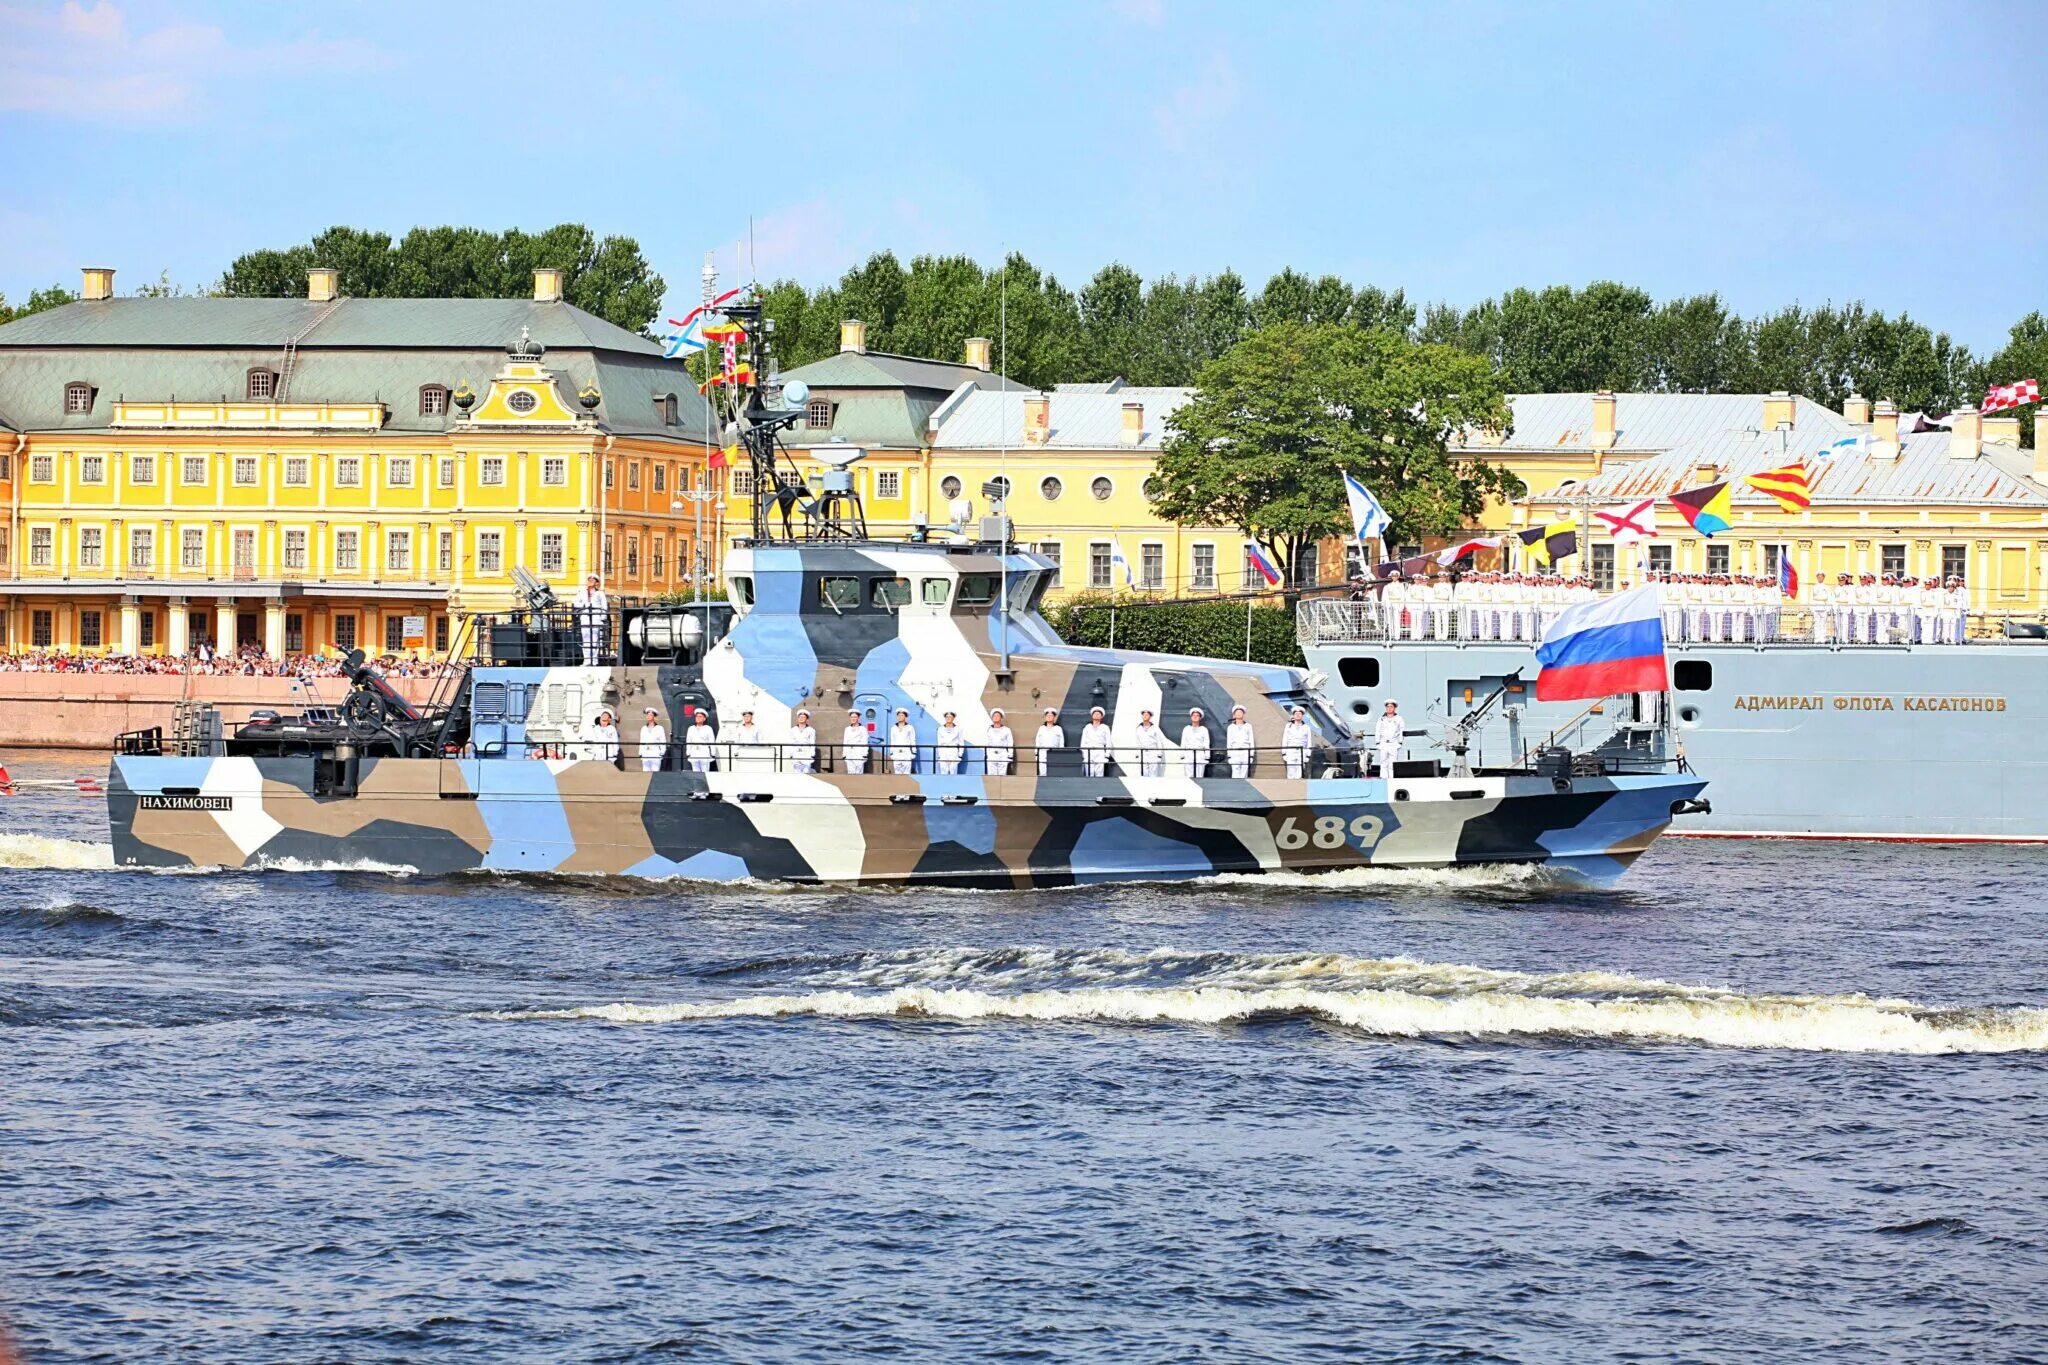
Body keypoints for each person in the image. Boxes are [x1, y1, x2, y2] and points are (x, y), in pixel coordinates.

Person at [572, 574, 609, 666]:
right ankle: (587, 660)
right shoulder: (582, 592)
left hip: (596, 616)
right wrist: (583, 606)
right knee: (586, 639)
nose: (590, 582)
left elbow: (604, 606)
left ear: (596, 583)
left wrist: (603, 617)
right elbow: (576, 602)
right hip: (585, 616)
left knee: (595, 639)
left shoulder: (600, 593)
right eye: (589, 580)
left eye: (593, 580)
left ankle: (594, 660)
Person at [1281, 705, 1313, 780]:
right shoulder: (1288, 726)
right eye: (1296, 714)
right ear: (1293, 715)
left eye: (1300, 714)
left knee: (1299, 772)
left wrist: (1308, 755)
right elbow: (1285, 740)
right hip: (1291, 751)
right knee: (1291, 772)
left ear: (1302, 716)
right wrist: (1284, 753)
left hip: (1302, 752)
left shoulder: (1306, 727)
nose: (1298, 715)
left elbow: (1309, 742)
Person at [1178, 707, 1212, 778]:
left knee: (1199, 775)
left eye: (1197, 716)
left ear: (1200, 718)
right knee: (1189, 775)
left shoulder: (1204, 730)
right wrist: (1182, 755)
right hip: (1188, 753)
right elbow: (1183, 742)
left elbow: (1206, 743)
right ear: (1191, 717)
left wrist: (1207, 756)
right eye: (1194, 715)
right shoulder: (1186, 729)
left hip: (1200, 753)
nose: (1195, 717)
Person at [1374, 700, 1403, 779]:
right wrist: (1377, 742)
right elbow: (1377, 731)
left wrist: (1400, 742)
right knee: (1383, 762)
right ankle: (1383, 778)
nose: (1389, 708)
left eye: (1391, 707)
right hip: (1383, 743)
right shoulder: (1381, 719)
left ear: (1394, 708)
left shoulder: (1399, 719)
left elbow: (1401, 731)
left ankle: (1392, 779)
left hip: (1393, 743)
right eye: (1387, 707)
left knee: (1392, 763)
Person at [1080, 705, 1112, 777]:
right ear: (1092, 716)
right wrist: (1084, 753)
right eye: (1095, 713)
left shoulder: (1105, 727)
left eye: (1098, 714)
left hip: (1100, 751)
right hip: (1088, 750)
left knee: (1099, 773)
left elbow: (1108, 742)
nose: (1097, 715)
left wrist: (1107, 755)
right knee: (1089, 773)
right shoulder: (1087, 727)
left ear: (1101, 716)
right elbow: (1083, 741)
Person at [1134, 708, 1168, 777]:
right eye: (1144, 715)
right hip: (1143, 753)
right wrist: (1137, 754)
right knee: (1143, 774)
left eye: (1147, 715)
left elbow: (1159, 742)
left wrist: (1159, 755)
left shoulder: (1155, 728)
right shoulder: (1138, 728)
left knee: (1153, 774)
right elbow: (1138, 742)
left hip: (1153, 753)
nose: (1145, 716)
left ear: (1150, 716)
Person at [1226, 704, 1256, 779]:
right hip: (1235, 751)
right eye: (1237, 712)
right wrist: (1229, 754)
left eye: (1240, 712)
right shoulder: (1230, 727)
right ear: (1234, 714)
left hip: (1245, 751)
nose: (1239, 714)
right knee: (1235, 772)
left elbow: (1251, 740)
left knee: (1244, 772)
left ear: (1243, 714)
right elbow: (1229, 741)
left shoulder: (1248, 726)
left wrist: (1251, 754)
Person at [683, 708, 716, 772]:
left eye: (700, 716)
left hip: (704, 753)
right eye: (697, 716)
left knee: (705, 771)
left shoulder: (708, 728)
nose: (698, 718)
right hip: (694, 753)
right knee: (695, 772)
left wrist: (713, 753)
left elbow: (712, 741)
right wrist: (688, 752)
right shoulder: (691, 728)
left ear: (704, 718)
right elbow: (688, 741)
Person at [1034, 707, 1065, 776]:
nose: (1049, 717)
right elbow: (1037, 742)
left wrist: (1061, 753)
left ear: (1054, 717)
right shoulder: (1041, 729)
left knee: (1053, 772)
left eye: (1051, 716)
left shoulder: (1058, 729)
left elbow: (1061, 743)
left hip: (1054, 753)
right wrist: (1037, 754)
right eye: (1047, 716)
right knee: (1043, 772)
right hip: (1042, 753)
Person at [637, 706, 667, 774]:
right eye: (647, 715)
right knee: (645, 773)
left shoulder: (659, 728)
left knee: (655, 773)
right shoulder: (643, 728)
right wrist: (641, 752)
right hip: (645, 753)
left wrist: (661, 753)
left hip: (655, 753)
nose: (648, 716)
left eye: (650, 715)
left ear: (654, 716)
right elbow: (642, 741)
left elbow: (663, 741)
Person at [985, 708, 1015, 776]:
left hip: (1002, 754)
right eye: (994, 716)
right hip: (992, 754)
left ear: (1001, 718)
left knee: (1002, 774)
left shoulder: (1007, 730)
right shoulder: (989, 730)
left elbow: (1010, 743)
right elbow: (987, 742)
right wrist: (987, 754)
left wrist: (1010, 755)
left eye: (997, 716)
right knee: (992, 774)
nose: (995, 717)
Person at [887, 708, 917, 775]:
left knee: (907, 773)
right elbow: (892, 741)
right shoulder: (893, 728)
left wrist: (913, 752)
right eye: (899, 715)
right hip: (896, 753)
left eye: (902, 715)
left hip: (906, 753)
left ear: (905, 717)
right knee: (897, 773)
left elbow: (912, 740)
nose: (900, 717)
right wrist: (891, 752)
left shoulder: (910, 728)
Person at [935, 711, 966, 775]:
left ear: (953, 718)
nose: (948, 718)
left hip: (953, 750)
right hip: (943, 751)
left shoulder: (958, 729)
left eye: (950, 717)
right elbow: (939, 742)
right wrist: (939, 754)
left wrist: (960, 755)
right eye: (947, 717)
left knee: (953, 770)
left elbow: (961, 743)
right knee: (943, 770)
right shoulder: (940, 729)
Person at [841, 708, 870, 774]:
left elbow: (865, 742)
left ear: (858, 718)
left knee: (858, 772)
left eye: (855, 717)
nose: (853, 719)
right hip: (849, 753)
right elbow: (845, 741)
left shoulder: (863, 729)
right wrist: (844, 753)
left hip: (858, 753)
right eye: (851, 717)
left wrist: (865, 754)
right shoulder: (847, 729)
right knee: (850, 772)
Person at [788, 708, 818, 774]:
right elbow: (790, 742)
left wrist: (812, 754)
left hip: (806, 752)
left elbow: (812, 742)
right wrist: (790, 753)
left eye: (803, 717)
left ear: (807, 719)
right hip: (796, 751)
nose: (801, 718)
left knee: (806, 771)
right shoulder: (793, 730)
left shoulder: (811, 730)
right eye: (800, 717)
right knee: (797, 771)